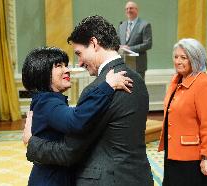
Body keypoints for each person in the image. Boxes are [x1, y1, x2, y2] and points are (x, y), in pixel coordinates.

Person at [23, 15, 154, 186]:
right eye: (59, 66)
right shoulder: (137, 80)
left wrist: (31, 142)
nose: (79, 63)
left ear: (93, 43)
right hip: (138, 177)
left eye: (79, 53)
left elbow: (69, 152)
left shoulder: (98, 88)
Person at [22, 46, 133, 186]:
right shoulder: (47, 102)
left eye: (65, 65)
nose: (67, 70)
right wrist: (107, 86)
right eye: (58, 66)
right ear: (41, 72)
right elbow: (76, 121)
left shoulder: (46, 100)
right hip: (51, 180)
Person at [158, 38, 207, 186]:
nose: (178, 61)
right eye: (176, 57)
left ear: (195, 59)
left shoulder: (203, 83)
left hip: (194, 157)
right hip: (174, 151)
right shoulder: (177, 79)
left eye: (183, 57)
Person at [118, 1, 152, 79]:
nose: (128, 10)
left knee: (138, 89)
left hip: (138, 65)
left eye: (131, 8)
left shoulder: (145, 25)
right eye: (126, 9)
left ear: (137, 10)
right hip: (123, 65)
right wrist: (119, 46)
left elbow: (148, 44)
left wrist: (130, 49)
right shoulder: (121, 25)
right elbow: (118, 42)